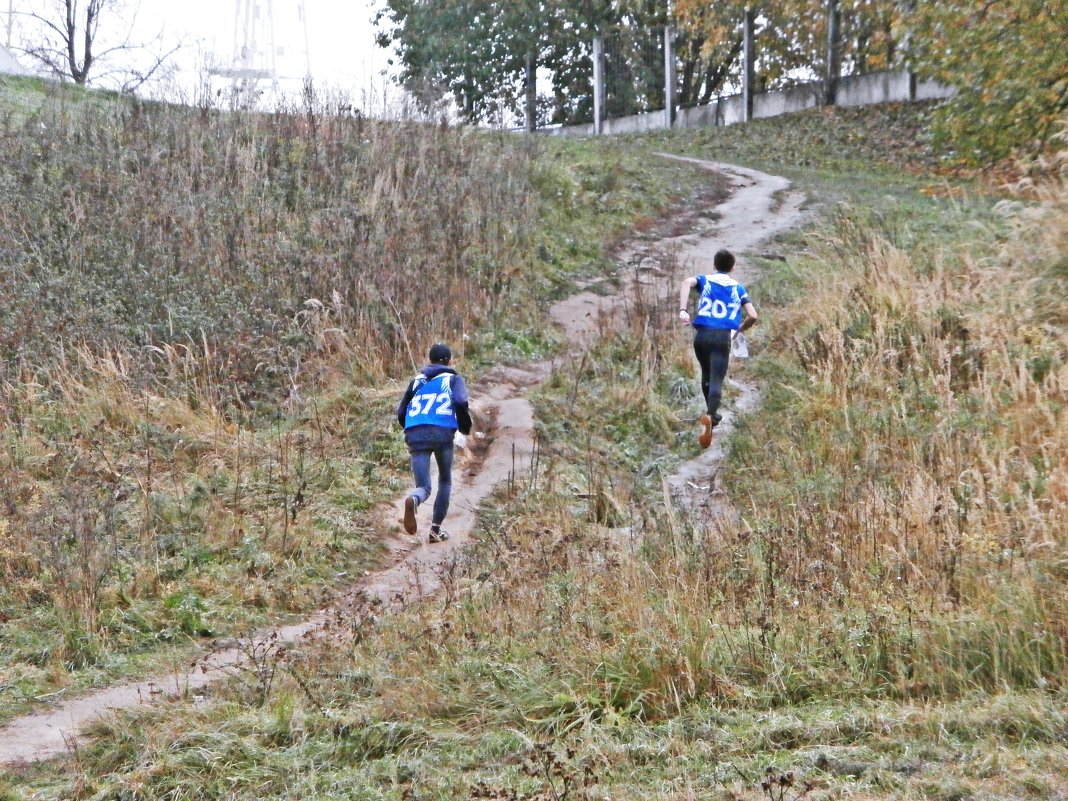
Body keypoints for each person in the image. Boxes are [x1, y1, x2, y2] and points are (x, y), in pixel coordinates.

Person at [677, 249, 758, 448]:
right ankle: (711, 417)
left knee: (705, 375)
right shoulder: (738, 289)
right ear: (733, 267)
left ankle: (711, 414)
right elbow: (753, 316)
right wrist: (738, 330)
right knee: (716, 381)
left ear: (714, 265)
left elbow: (687, 282)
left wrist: (683, 310)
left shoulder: (705, 280)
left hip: (702, 335)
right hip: (722, 337)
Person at [397, 343, 473, 543]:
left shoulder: (417, 380)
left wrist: (412, 428)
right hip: (441, 434)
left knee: (423, 486)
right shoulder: (453, 379)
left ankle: (414, 499)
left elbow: (401, 411)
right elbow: (460, 402)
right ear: (449, 360)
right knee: (445, 481)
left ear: (429, 360)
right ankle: (435, 531)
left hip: (415, 433)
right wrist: (465, 426)